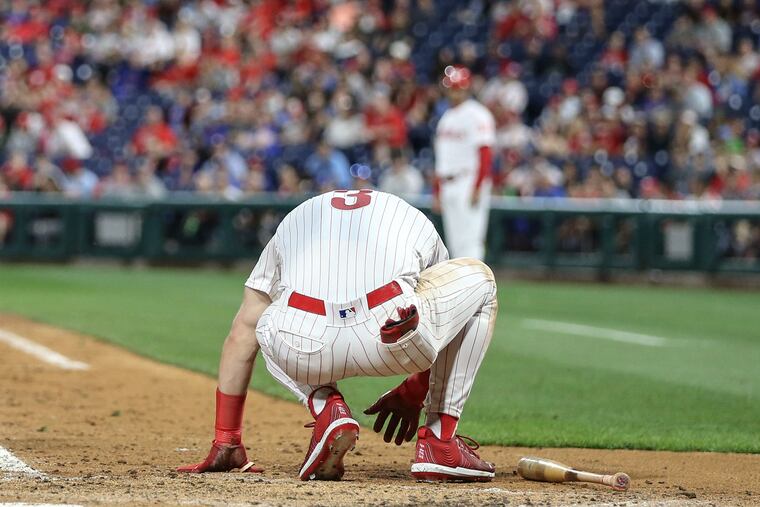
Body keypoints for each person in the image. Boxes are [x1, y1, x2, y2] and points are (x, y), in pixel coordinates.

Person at [178, 189, 498, 482]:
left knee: (264, 323)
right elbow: (449, 322)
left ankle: (327, 407)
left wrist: (227, 438)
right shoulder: (410, 216)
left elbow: (243, 332)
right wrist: (415, 389)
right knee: (482, 283)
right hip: (392, 336)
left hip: (305, 345)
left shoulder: (294, 220)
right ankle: (440, 441)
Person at [433, 65, 496, 260]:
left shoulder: (478, 114)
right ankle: (463, 289)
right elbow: (442, 158)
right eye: (451, 88)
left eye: (458, 88)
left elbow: (485, 152)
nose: (453, 92)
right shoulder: (446, 117)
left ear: (467, 88)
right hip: (448, 182)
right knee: (454, 243)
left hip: (468, 180)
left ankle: (477, 289)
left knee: (470, 241)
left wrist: (478, 186)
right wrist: (437, 190)